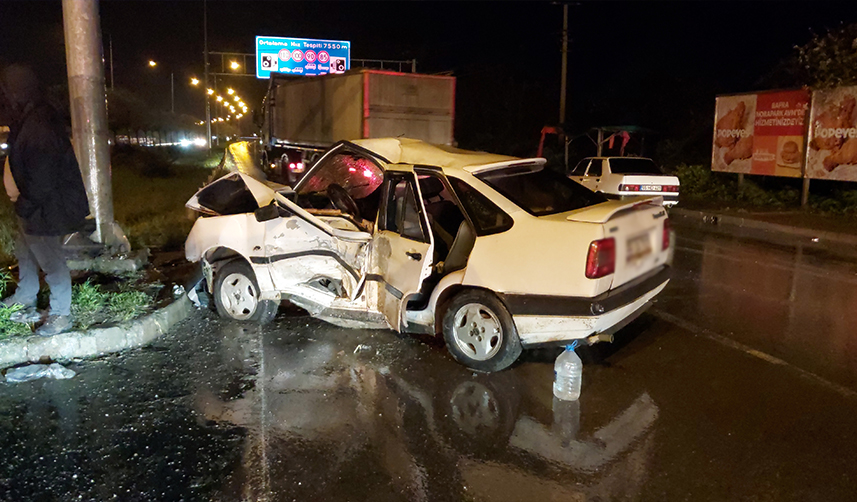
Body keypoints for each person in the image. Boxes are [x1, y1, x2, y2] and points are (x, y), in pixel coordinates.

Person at [0, 65, 89, 336]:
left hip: (42, 205)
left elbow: (43, 175)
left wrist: (26, 203)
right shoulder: (27, 118)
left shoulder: (39, 122)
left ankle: (61, 313)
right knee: (25, 251)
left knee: (50, 259)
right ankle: (26, 295)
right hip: (30, 202)